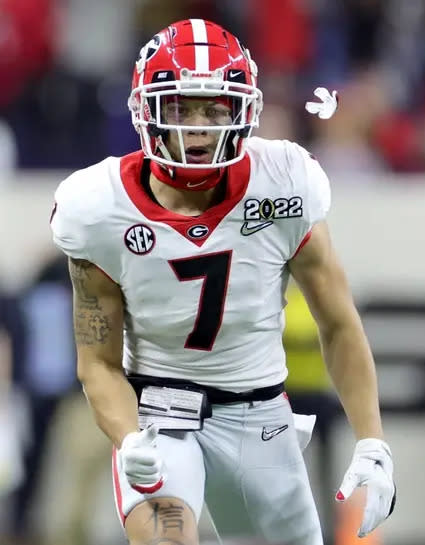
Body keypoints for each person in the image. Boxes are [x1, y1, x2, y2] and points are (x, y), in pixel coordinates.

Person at [49, 19, 395, 545]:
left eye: (213, 108)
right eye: (180, 108)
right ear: (147, 111)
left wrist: (372, 441)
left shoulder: (283, 183)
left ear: (242, 112)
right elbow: (96, 360)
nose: (197, 127)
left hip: (258, 411)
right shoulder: (99, 208)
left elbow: (339, 322)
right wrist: (128, 439)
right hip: (158, 412)